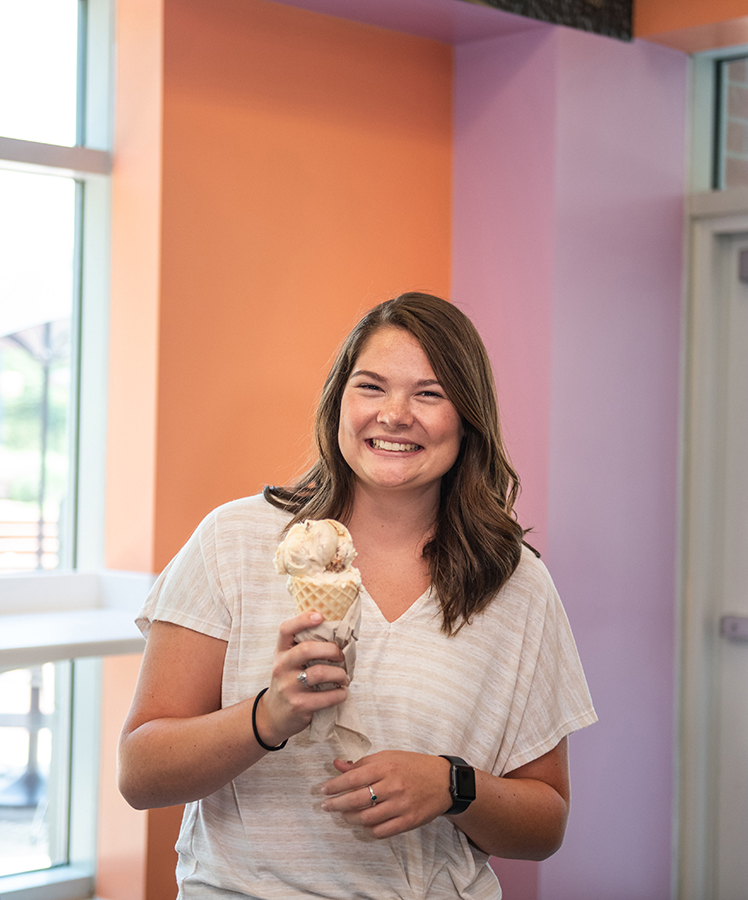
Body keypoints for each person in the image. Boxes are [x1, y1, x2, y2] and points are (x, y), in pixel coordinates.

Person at [118, 292, 596, 900]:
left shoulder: (515, 584)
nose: (395, 415)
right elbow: (140, 774)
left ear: (468, 417)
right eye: (371, 386)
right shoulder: (233, 542)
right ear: (339, 401)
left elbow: (545, 824)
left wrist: (454, 787)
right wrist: (269, 716)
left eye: (430, 393)